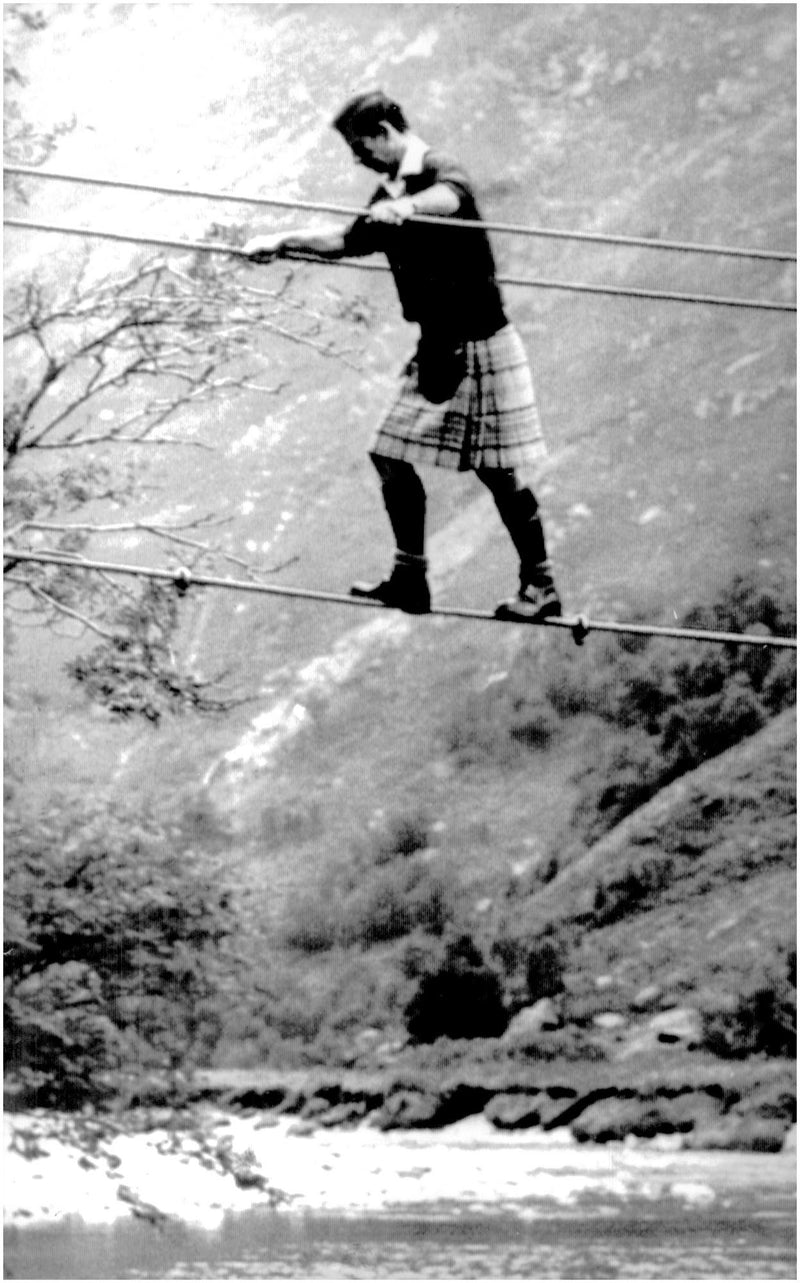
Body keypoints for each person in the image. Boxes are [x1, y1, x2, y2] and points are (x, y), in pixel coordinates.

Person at [243, 90, 561, 622]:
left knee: (495, 472)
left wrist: (406, 207)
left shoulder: (437, 170)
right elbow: (347, 240)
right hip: (438, 345)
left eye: (360, 146)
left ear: (386, 134)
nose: (357, 159)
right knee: (393, 454)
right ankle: (411, 580)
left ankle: (536, 587)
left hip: (477, 342)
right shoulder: (388, 192)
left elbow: (453, 197)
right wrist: (282, 241)